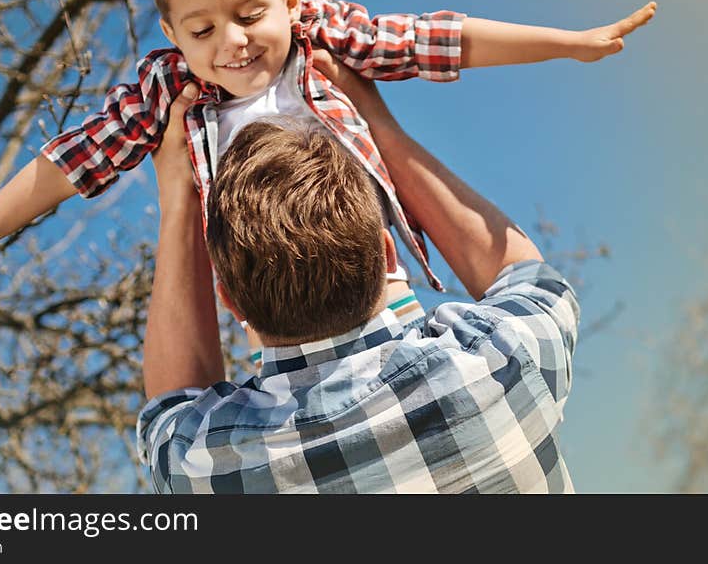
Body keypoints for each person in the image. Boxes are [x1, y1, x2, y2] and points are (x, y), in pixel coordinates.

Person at [0, 0, 656, 326]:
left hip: (376, 285)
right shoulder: (166, 92)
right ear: (173, 37)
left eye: (249, 14)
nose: (232, 42)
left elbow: (432, 38)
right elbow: (67, 163)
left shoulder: (321, 34)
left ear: (288, 1)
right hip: (272, 308)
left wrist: (567, 44)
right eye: (202, 30)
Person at [137, 50, 580, 493]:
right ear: (388, 256)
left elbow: (170, 407)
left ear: (229, 301)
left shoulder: (203, 464)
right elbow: (527, 275)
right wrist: (378, 123)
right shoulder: (501, 360)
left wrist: (179, 201)